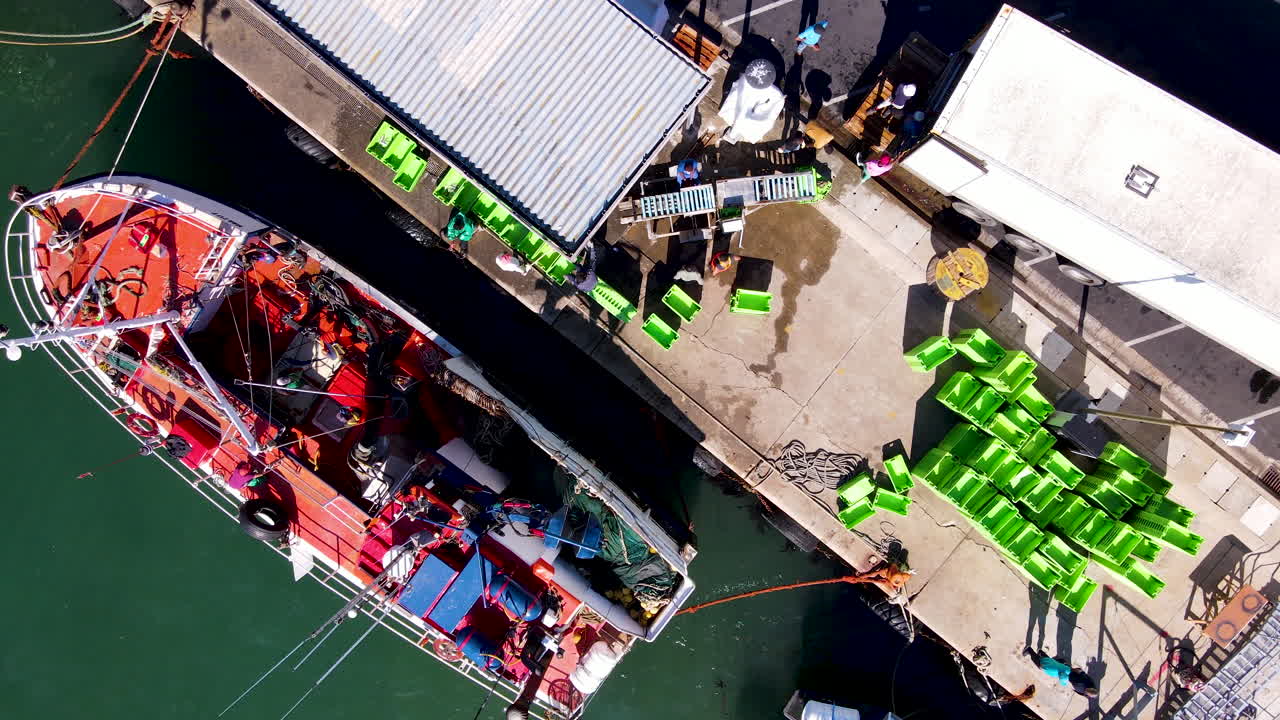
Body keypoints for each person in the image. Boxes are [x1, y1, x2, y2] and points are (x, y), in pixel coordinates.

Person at [1024, 648, 1099, 698]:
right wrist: (1072, 670)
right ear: (1091, 688)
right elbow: (1080, 671)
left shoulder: (1086, 693)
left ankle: (1041, 652)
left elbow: (1082, 693)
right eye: (1088, 691)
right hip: (1069, 672)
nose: (1086, 692)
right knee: (1049, 662)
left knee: (1051, 661)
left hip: (1067, 674)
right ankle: (1030, 650)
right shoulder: (1086, 680)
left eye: (1088, 693)